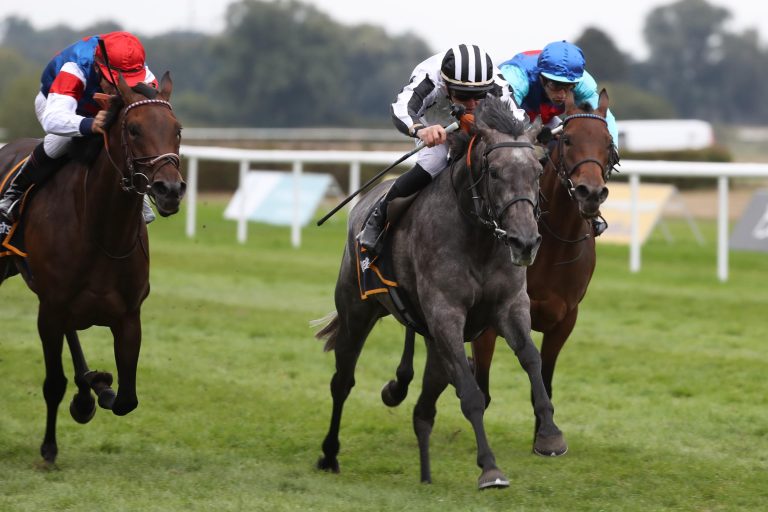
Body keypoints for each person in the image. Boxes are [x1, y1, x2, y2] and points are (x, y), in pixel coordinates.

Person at [358, 44, 526, 256]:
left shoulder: (494, 81)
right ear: (446, 85)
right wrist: (420, 130)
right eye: (464, 96)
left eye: (479, 95)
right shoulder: (428, 78)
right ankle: (378, 216)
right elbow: (401, 108)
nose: (472, 103)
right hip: (436, 123)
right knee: (433, 162)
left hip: (482, 124)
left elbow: (518, 117)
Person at [0, 31, 158, 227]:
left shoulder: (142, 72)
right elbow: (53, 119)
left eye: (129, 82)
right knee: (61, 141)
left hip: (99, 107)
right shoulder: (75, 67)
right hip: (57, 102)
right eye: (116, 81)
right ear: (100, 68)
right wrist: (89, 124)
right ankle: (14, 192)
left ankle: (137, 192)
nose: (121, 89)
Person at [498, 40, 618, 236]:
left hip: (545, 118)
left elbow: (605, 121)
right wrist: (532, 136)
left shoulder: (582, 81)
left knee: (570, 149)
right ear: (542, 78)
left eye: (568, 87)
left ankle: (586, 212)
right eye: (555, 86)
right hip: (506, 113)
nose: (562, 94)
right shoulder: (516, 76)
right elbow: (506, 119)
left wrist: (611, 155)